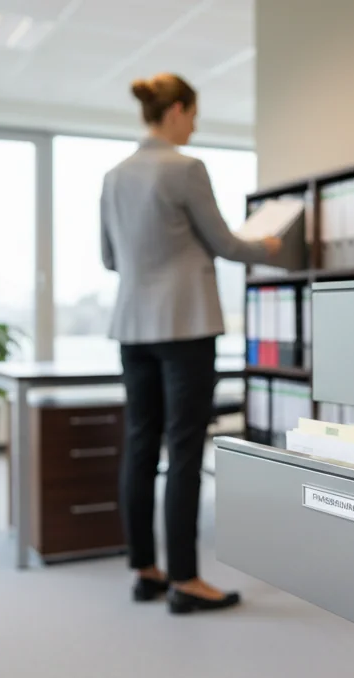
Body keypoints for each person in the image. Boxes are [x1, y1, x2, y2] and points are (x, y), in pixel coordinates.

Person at [100, 73, 281, 615]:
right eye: (194, 112)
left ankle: (145, 571)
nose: (196, 123)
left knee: (140, 445)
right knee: (183, 451)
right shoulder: (186, 168)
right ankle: (186, 581)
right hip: (185, 327)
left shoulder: (114, 176)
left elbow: (110, 258)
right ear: (177, 110)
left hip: (132, 328)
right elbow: (225, 243)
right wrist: (271, 243)